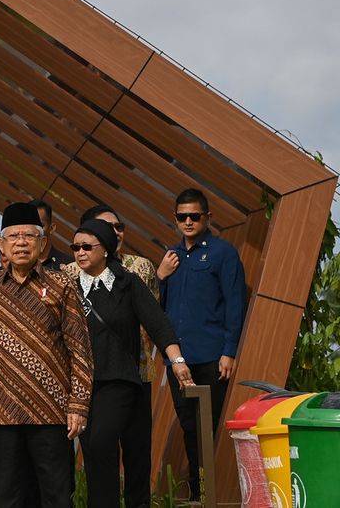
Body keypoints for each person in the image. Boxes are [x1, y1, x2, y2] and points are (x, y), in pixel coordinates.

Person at [0, 202, 92, 508]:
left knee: (57, 496)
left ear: (42, 242)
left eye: (29, 236)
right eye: (13, 236)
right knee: (8, 497)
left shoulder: (62, 285)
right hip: (1, 412)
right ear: (0, 244)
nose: (21, 242)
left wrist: (79, 405)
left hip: (52, 412)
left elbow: (80, 350)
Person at [69, 219, 193, 508]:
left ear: (106, 249)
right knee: (94, 452)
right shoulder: (69, 288)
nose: (80, 252)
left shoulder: (128, 283)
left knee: (104, 443)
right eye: (75, 247)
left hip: (120, 378)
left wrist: (177, 361)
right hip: (82, 386)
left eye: (87, 246)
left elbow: (158, 324)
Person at [160, 188, 246, 499]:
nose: (188, 221)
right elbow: (157, 307)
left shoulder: (223, 253)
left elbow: (235, 303)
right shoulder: (170, 256)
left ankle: (210, 494)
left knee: (208, 427)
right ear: (175, 219)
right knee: (189, 427)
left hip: (211, 357)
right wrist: (160, 275)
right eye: (182, 216)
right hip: (178, 360)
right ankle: (198, 494)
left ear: (208, 217)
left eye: (194, 216)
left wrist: (229, 351)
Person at [31, 199, 73, 271]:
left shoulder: (69, 266)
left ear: (51, 228)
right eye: (29, 225)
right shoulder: (14, 262)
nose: (33, 231)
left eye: (40, 225)